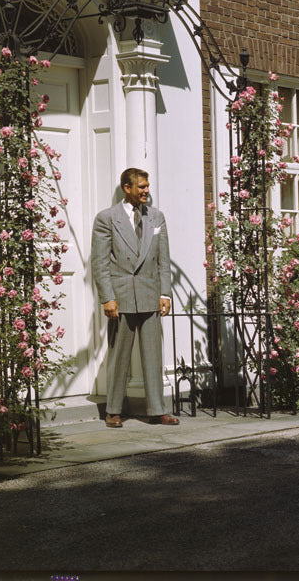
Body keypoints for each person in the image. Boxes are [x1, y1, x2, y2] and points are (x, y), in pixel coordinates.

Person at [91, 168, 178, 427]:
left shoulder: (156, 217)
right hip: (121, 296)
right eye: (141, 187)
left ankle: (156, 409)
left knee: (153, 354)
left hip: (151, 293)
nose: (146, 191)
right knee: (119, 355)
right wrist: (107, 297)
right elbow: (100, 262)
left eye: (147, 186)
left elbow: (163, 258)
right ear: (126, 188)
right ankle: (114, 410)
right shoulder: (107, 218)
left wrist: (165, 292)